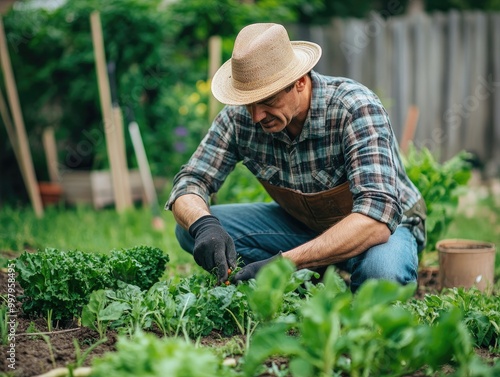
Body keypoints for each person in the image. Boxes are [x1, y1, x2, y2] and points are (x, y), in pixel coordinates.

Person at [166, 23, 426, 291]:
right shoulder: (238, 119)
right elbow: (191, 180)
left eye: (267, 100)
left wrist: (284, 263)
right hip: (304, 226)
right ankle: (311, 278)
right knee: (192, 230)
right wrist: (204, 225)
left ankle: (319, 276)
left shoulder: (353, 108)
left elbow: (376, 218)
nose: (256, 116)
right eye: (248, 102)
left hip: (381, 228)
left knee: (382, 275)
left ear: (300, 81)